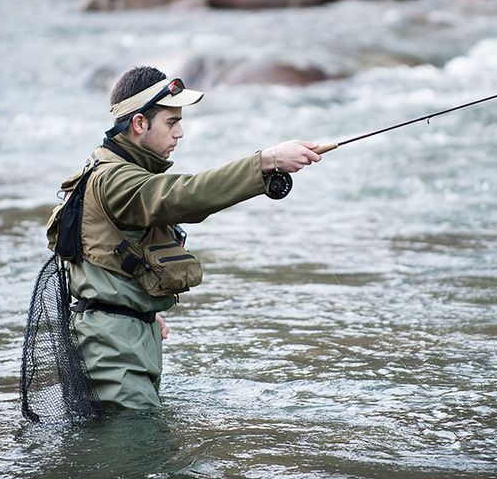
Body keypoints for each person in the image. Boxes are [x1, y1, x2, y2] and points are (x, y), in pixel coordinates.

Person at [54, 65, 320, 410]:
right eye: (171, 122)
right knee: (130, 447)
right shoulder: (116, 179)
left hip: (123, 335)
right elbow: (186, 195)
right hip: (112, 349)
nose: (180, 133)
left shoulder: (111, 166)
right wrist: (266, 162)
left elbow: (99, 253)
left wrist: (135, 305)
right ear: (138, 123)